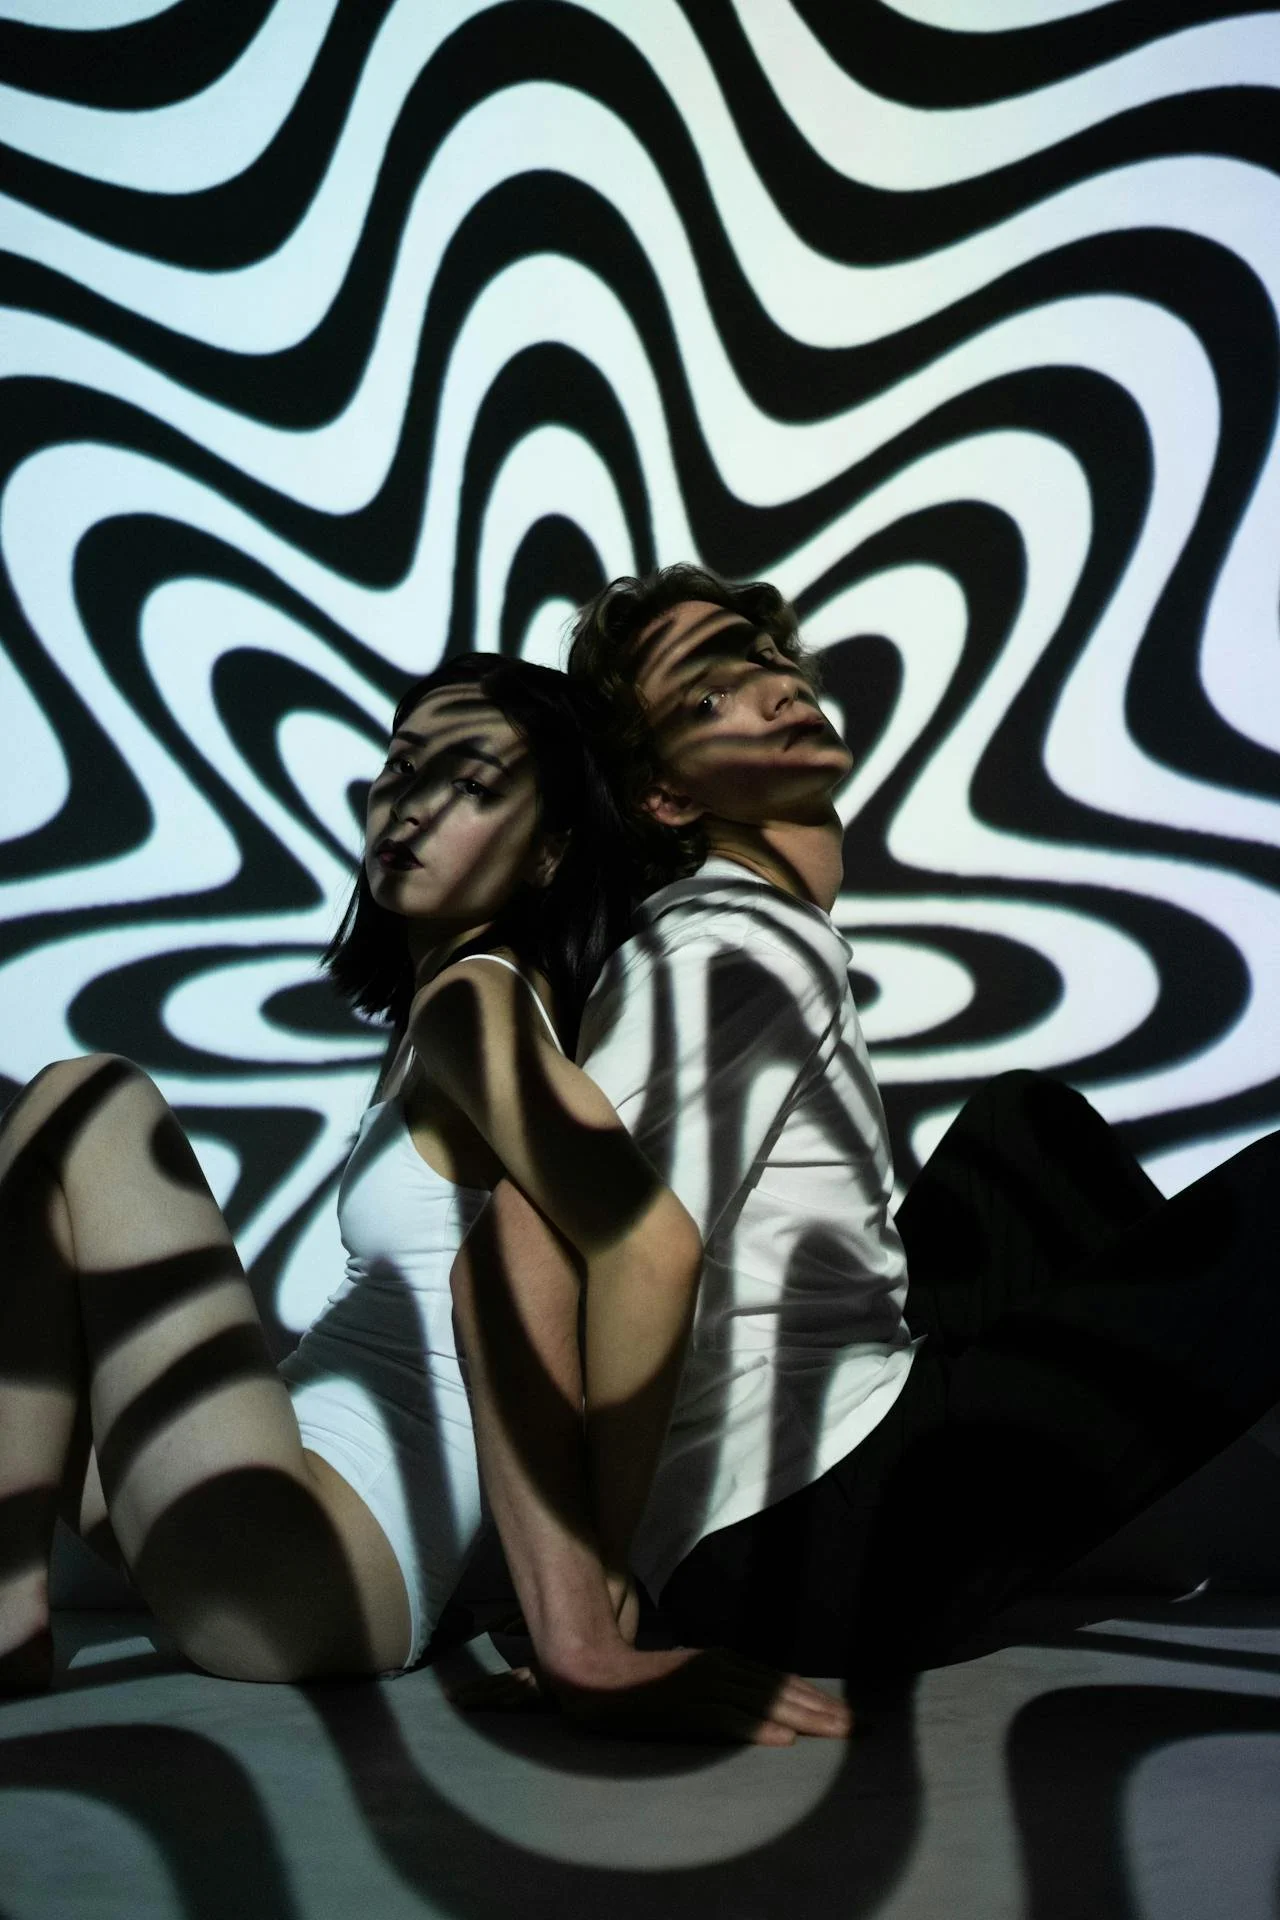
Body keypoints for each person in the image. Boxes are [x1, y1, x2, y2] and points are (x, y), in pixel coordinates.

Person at [459, 564, 1280, 1702]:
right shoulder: (731, 949)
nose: (773, 688)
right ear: (664, 798)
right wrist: (585, 1615)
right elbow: (516, 1252)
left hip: (789, 1499)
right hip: (811, 1548)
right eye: (708, 696)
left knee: (1019, 1131)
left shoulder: (738, 934)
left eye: (762, 660)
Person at [0, 650, 849, 1744]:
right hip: (277, 1530)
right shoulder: (437, 1015)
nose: (414, 805)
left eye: (472, 783)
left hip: (315, 1567)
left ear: (548, 852)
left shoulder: (474, 1000)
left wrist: (588, 1625)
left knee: (87, 1099)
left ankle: (7, 1607)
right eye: (402, 768)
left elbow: (645, 1241)